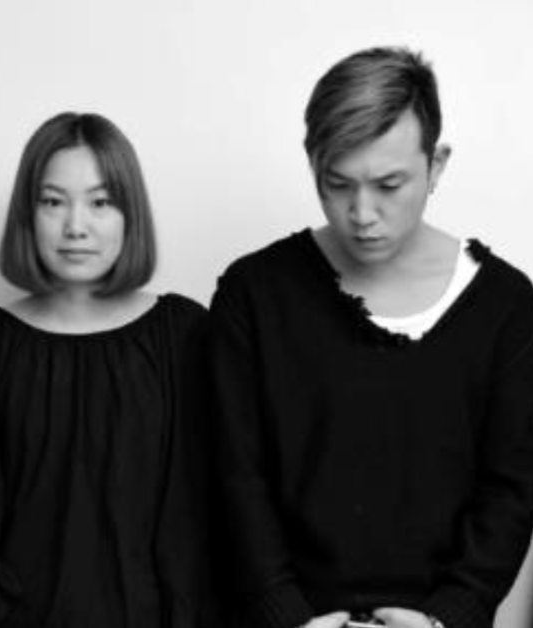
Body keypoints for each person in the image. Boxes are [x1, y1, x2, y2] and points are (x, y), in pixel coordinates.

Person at [209, 47, 533, 628]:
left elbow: (511, 490)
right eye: (337, 184)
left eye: (389, 184)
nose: (362, 214)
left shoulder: (507, 306)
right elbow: (236, 476)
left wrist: (448, 618)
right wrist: (285, 615)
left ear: (437, 165)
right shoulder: (253, 294)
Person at [0, 112, 211, 628]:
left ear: (130, 213)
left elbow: (205, 524)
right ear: (27, 212)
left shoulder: (185, 336)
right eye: (52, 202)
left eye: (101, 202)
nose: (75, 227)